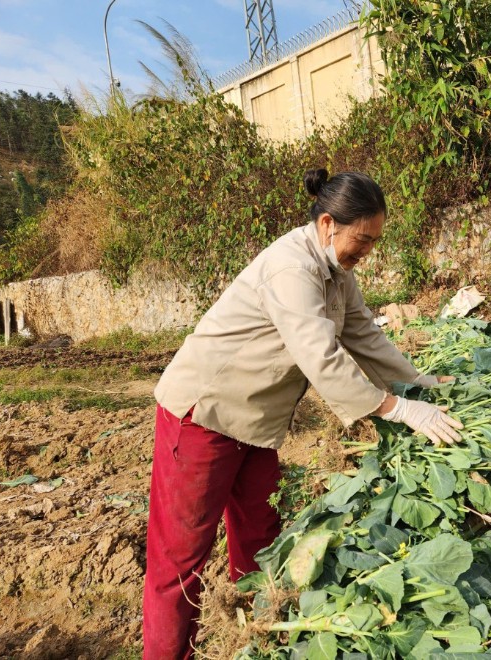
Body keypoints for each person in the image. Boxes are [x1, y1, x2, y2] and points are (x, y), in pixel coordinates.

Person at [143, 168, 463, 659]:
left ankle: (256, 641)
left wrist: (418, 382)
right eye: (363, 239)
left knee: (260, 537)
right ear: (329, 223)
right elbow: (321, 356)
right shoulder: (291, 267)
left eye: (374, 243)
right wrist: (397, 409)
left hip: (255, 422)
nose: (366, 252)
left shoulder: (338, 274)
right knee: (180, 560)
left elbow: (364, 336)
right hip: (203, 415)